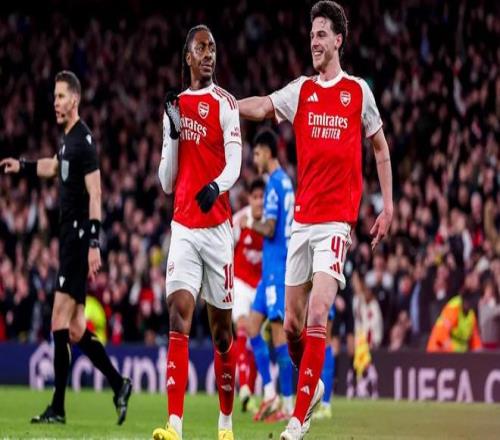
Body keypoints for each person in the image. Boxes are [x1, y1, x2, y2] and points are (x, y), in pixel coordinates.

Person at [238, 1, 393, 438]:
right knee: (291, 326)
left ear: (339, 40)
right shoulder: (301, 91)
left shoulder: (357, 92)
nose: (314, 41)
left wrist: (388, 207)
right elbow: (262, 106)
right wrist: (224, 105)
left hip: (335, 225)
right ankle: (314, 384)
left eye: (322, 34)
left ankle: (298, 417)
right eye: (312, 35)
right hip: (302, 225)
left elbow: (381, 150)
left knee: (318, 312)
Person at [1, 70, 132, 425]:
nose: (55, 102)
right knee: (74, 330)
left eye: (60, 96)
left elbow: (96, 193)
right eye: (54, 96)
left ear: (74, 98)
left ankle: (58, 408)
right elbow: (53, 166)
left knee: (58, 322)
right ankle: (119, 384)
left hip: (77, 240)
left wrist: (94, 243)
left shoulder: (84, 141)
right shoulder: (67, 139)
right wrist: (23, 165)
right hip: (69, 240)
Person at [153, 24, 242, 440]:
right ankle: (174, 425)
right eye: (201, 48)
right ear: (187, 56)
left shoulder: (226, 103)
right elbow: (166, 181)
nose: (208, 54)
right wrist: (173, 133)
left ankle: (225, 422)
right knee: (178, 314)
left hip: (218, 230)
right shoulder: (174, 106)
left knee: (222, 334)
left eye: (212, 48)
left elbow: (235, 162)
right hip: (184, 228)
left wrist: (216, 186)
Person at [240, 130, 295, 422]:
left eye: (258, 152)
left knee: (278, 336)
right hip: (270, 270)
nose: (255, 158)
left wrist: (250, 223)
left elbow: (271, 229)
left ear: (268, 152)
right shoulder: (285, 181)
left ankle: (288, 405)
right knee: (252, 326)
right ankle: (271, 392)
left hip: (277, 269)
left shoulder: (274, 184)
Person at [232, 179, 264, 412]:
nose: (259, 202)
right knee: (242, 327)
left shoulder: (272, 222)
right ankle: (243, 387)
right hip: (240, 282)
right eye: (255, 197)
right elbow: (226, 248)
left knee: (256, 337)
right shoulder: (239, 220)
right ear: (250, 200)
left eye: (262, 197)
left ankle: (249, 390)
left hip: (260, 285)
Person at [427, 273, 482, 353]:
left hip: (457, 354)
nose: (469, 305)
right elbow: (442, 333)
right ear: (464, 300)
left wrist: (480, 355)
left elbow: (475, 338)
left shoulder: (471, 314)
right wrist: (454, 353)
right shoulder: (454, 307)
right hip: (438, 350)